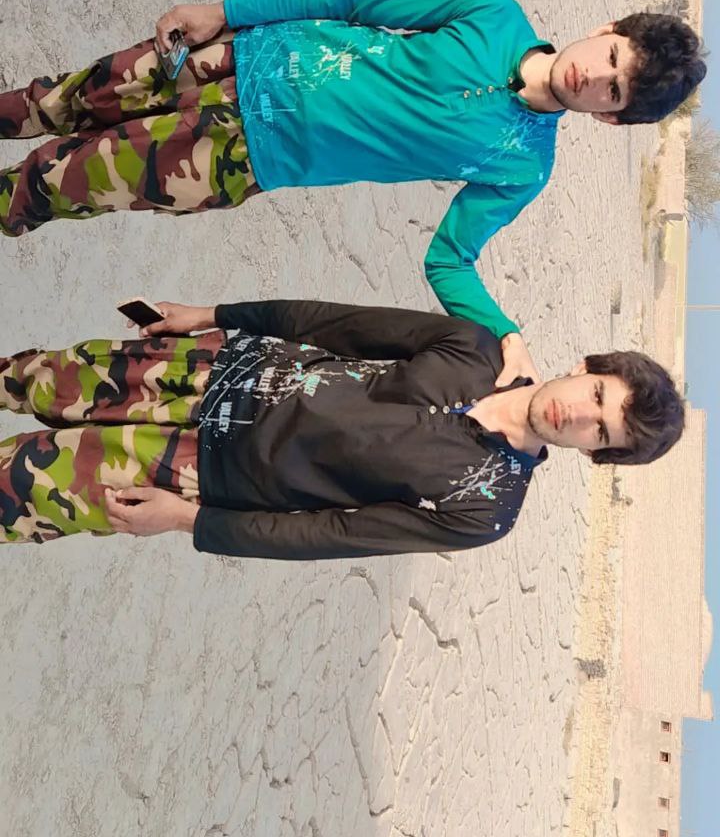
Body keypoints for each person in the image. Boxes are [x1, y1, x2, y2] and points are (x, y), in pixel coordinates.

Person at [0, 0, 706, 386]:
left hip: (238, 158)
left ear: (610, 119)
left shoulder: (523, 166)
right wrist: (227, 13)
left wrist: (505, 333)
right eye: (612, 55)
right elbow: (356, 0)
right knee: (56, 101)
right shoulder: (493, 12)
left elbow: (450, 260)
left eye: (614, 91)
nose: (596, 75)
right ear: (606, 28)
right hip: (239, 57)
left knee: (51, 184)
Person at [0, 297, 684, 557]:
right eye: (598, 395)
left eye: (601, 432)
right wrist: (211, 314)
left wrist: (187, 520)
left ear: (596, 455)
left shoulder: (487, 508)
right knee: (32, 377)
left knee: (22, 487)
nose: (580, 415)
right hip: (211, 366)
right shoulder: (475, 348)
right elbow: (336, 324)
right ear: (586, 367)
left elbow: (329, 534)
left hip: (201, 472)